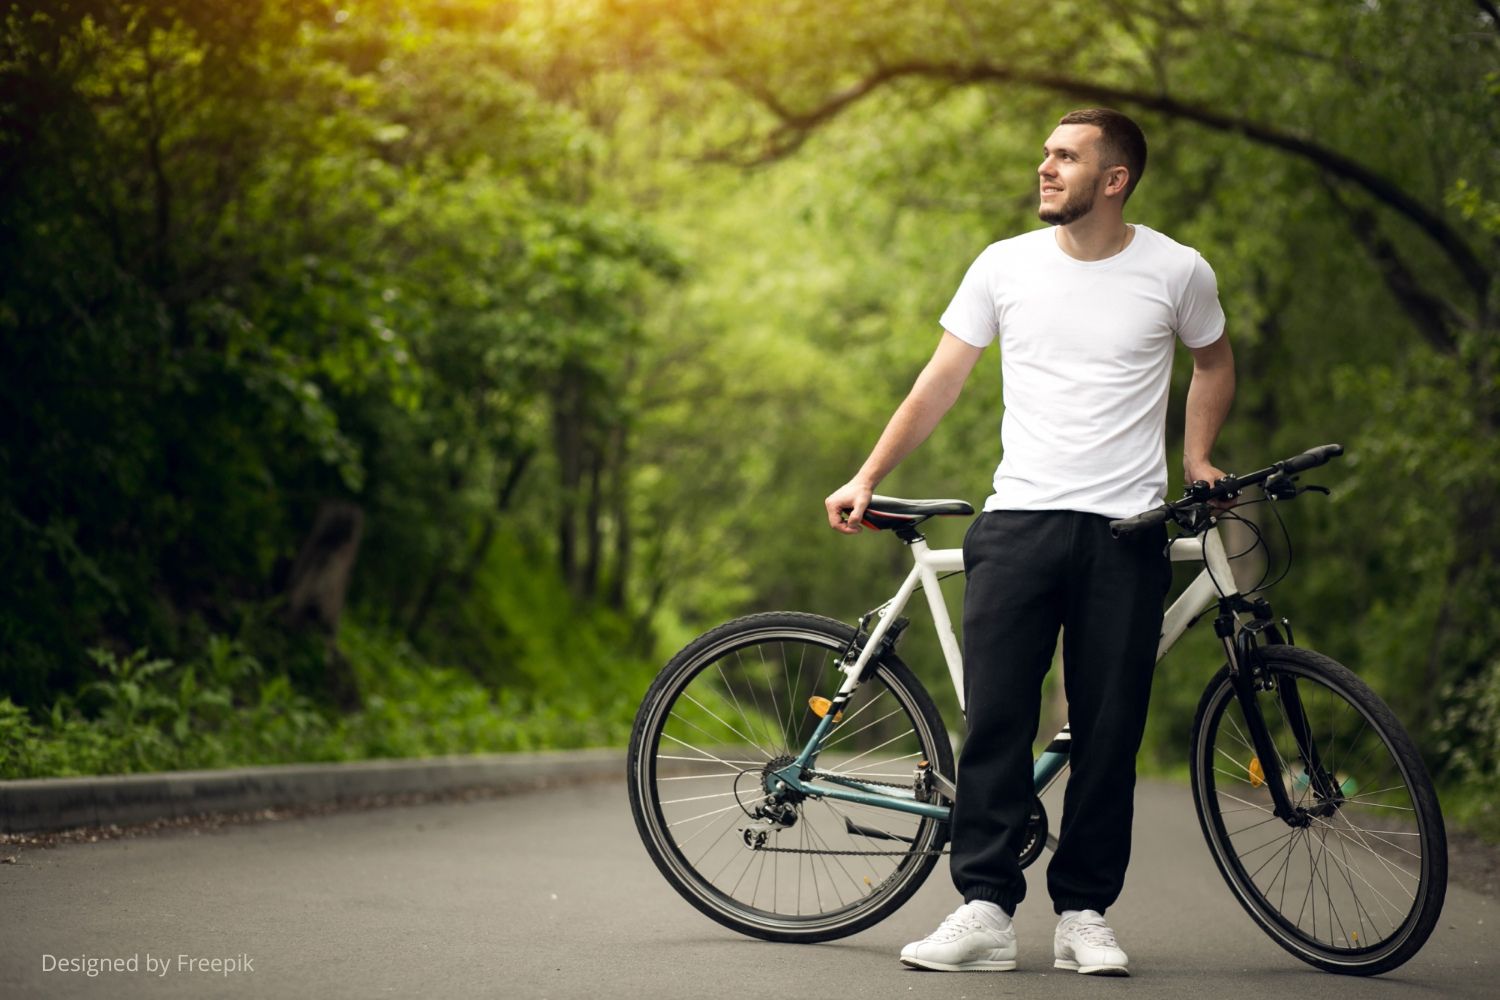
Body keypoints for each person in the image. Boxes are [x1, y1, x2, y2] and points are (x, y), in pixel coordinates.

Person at [823, 107, 1235, 976]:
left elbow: (1214, 359)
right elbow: (940, 381)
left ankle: (1085, 914)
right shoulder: (1004, 265)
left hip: (1126, 532)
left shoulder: (1177, 271)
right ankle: (983, 909)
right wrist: (866, 471)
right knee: (999, 723)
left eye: (1066, 156)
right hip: (1017, 523)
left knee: (1109, 731)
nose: (1044, 166)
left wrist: (1197, 455)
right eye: (1044, 151)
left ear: (1114, 179)